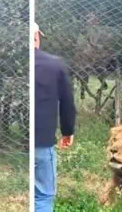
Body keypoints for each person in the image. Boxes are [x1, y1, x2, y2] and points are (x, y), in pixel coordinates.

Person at [34, 22, 76, 212]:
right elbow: (67, 102)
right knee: (43, 195)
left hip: (18, 144)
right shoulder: (54, 65)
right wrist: (67, 131)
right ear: (37, 37)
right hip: (42, 141)